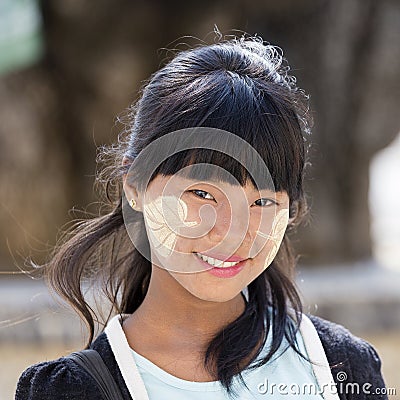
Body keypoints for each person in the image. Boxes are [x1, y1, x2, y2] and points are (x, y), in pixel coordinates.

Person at [15, 33, 387, 400]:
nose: (232, 232)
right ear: (134, 187)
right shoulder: (70, 390)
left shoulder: (340, 368)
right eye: (203, 193)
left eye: (262, 203)